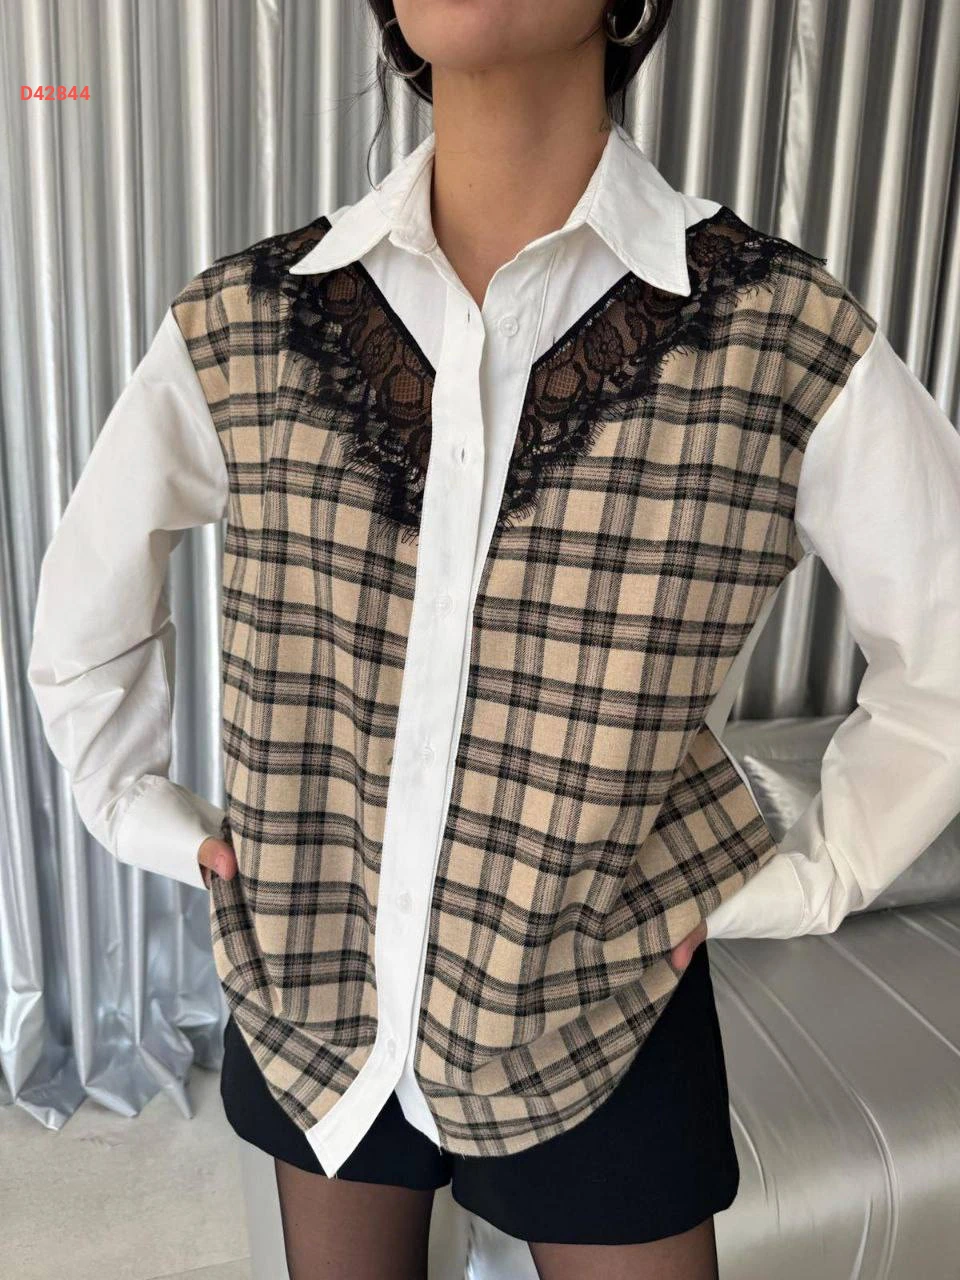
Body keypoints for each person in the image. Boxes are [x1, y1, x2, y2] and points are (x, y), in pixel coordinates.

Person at [27, 2, 960, 1278]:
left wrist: (816, 870)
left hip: (605, 1001)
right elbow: (88, 608)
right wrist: (139, 807)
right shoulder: (252, 316)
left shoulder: (774, 330)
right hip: (316, 992)